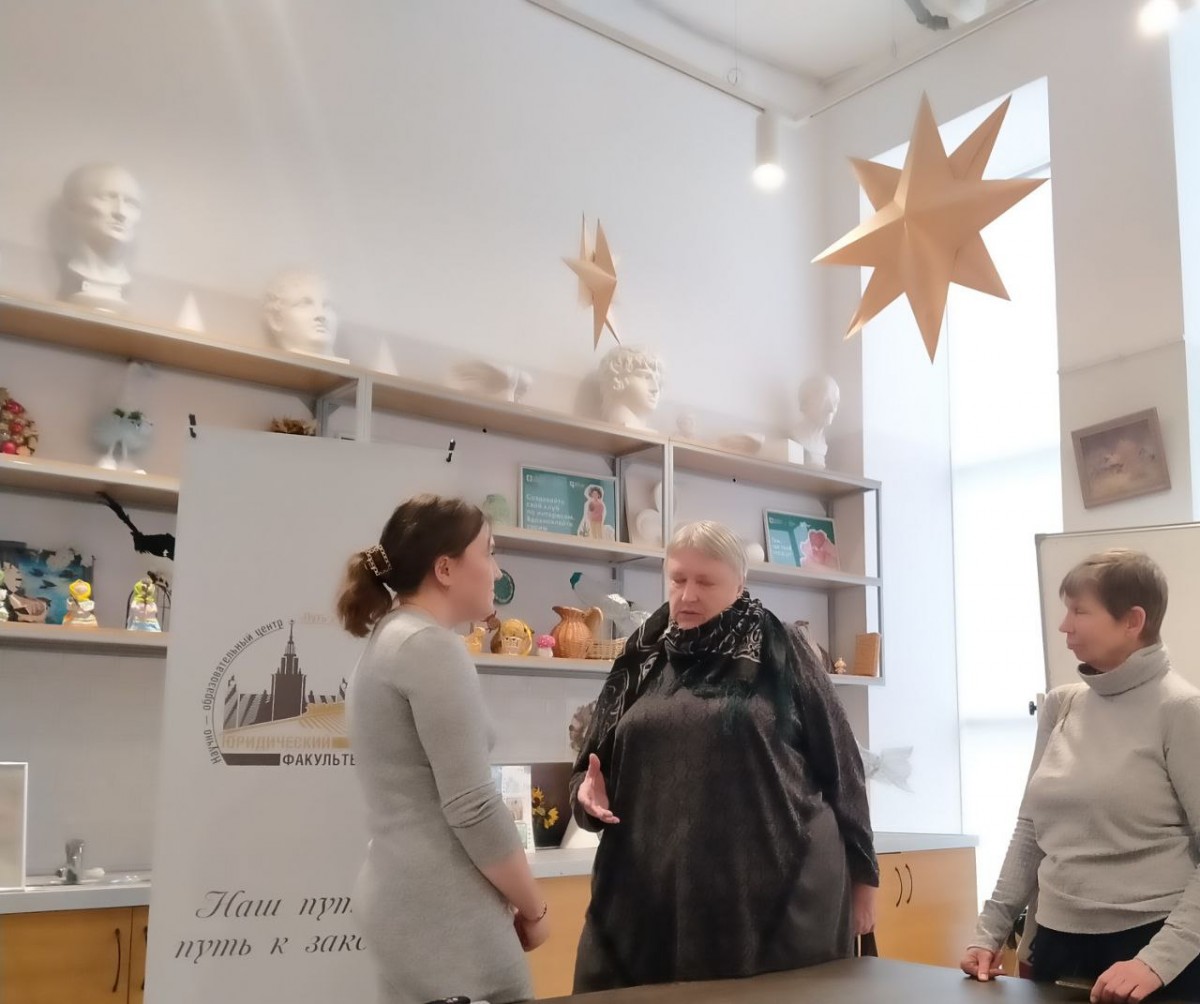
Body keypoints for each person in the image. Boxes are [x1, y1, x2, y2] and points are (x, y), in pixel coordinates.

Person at [569, 519, 878, 992]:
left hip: (777, 899)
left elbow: (843, 765)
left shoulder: (782, 650)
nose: (688, 595)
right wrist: (587, 797)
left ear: (739, 584)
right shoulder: (643, 656)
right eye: (678, 579)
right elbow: (588, 772)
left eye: (705, 581)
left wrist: (864, 881)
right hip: (650, 903)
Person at [337, 494, 549, 1004]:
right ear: (446, 568)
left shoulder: (391, 639)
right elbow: (472, 805)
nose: (497, 571)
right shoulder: (428, 647)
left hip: (409, 901)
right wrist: (534, 908)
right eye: (489, 552)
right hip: (445, 916)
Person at [962, 549, 1200, 1003]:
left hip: (1152, 951)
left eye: (1079, 611)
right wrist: (988, 932)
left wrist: (1157, 961)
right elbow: (1030, 831)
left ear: (1133, 621)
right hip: (1057, 946)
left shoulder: (1182, 710)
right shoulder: (1062, 704)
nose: (1064, 625)